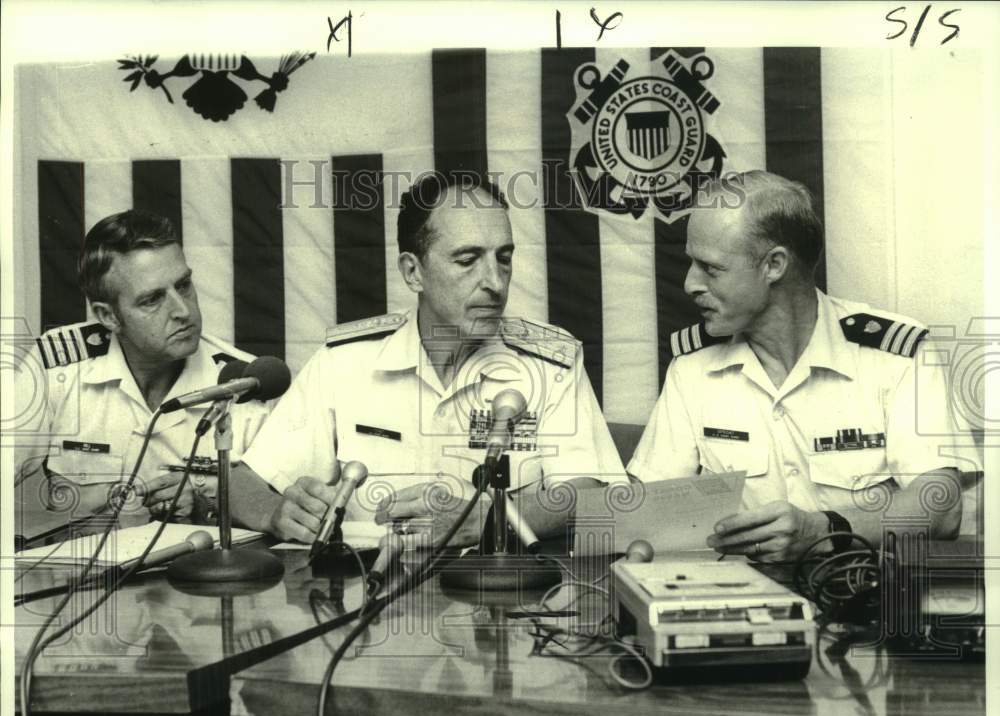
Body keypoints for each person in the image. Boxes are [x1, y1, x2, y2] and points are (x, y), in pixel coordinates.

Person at [232, 175, 625, 548]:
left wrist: (488, 518)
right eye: (468, 259)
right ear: (413, 271)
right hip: (366, 594)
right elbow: (243, 482)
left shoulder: (550, 363)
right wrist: (274, 513)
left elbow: (588, 495)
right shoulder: (344, 362)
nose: (496, 282)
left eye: (503, 258)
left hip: (500, 598)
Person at [628, 170, 977, 561]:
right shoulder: (693, 365)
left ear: (774, 265)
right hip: (738, 601)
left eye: (711, 268)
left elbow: (942, 508)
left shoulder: (896, 355)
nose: (690, 283)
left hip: (869, 596)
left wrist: (825, 530)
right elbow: (644, 514)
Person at [13, 210, 271, 524]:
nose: (182, 310)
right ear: (108, 316)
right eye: (152, 300)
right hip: (86, 567)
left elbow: (281, 514)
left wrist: (207, 507)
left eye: (184, 285)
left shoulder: (245, 381)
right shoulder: (56, 365)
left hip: (199, 564)